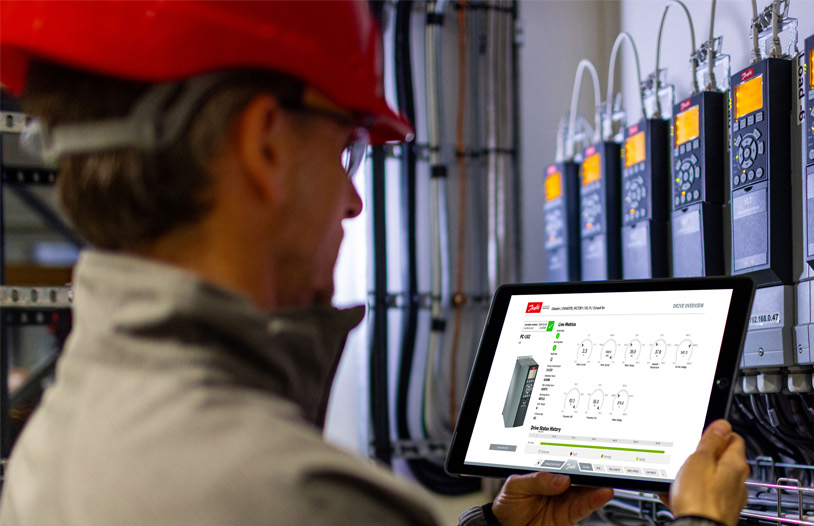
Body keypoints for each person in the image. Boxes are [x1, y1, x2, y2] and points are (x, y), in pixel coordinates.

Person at [0, 1, 750, 525]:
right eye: (346, 150)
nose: (353, 205)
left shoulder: (57, 432)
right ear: (265, 147)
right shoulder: (296, 493)